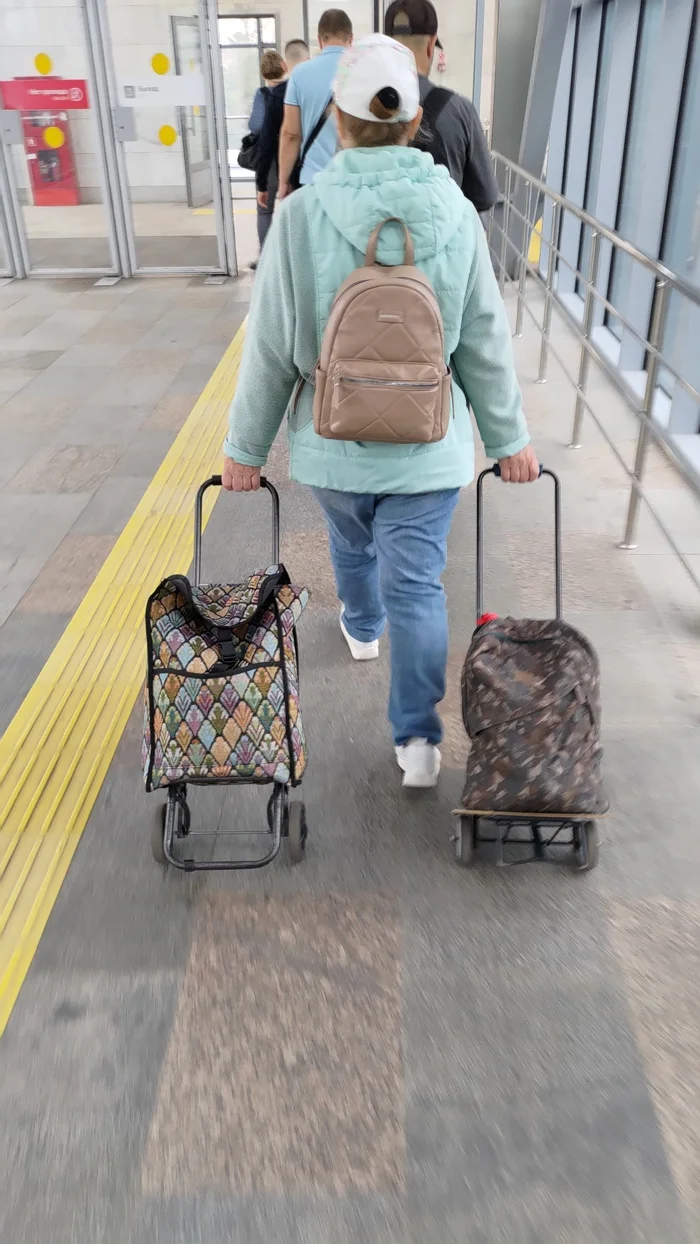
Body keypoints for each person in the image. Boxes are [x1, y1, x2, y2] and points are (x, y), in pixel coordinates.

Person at [223, 34, 538, 789]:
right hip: (429, 450)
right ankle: (419, 743)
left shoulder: (299, 218)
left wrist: (244, 448)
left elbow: (270, 346)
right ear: (414, 120)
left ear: (338, 114)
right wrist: (510, 439)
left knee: (351, 544)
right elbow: (483, 342)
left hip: (331, 448)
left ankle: (361, 628)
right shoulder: (457, 214)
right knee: (419, 586)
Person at [384, 0, 499, 212]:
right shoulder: (460, 110)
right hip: (444, 239)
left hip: (376, 240)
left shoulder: (364, 108)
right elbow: (486, 196)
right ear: (430, 45)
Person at [277, 9, 353, 199]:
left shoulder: (300, 74)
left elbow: (290, 134)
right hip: (353, 181)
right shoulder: (364, 71)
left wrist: (283, 181)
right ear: (350, 38)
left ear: (320, 40)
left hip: (312, 181)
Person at [254, 42, 311, 261]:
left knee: (284, 220)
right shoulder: (320, 89)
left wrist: (263, 183)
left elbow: (268, 141)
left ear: (285, 64)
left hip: (287, 170)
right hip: (314, 171)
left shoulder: (278, 94)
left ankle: (271, 260)